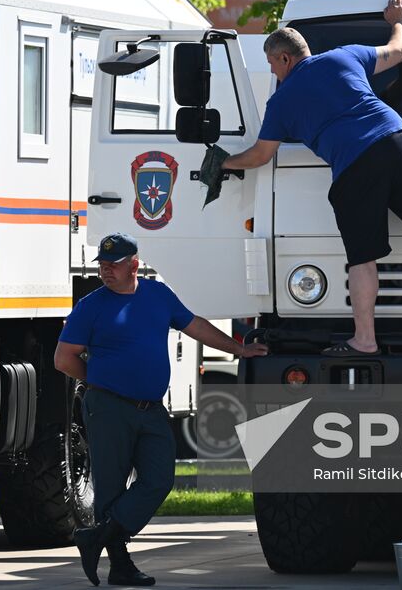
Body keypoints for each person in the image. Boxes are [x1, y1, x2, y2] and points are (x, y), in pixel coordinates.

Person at [223, 0, 402, 355]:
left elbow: (260, 155)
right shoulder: (343, 56)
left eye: (272, 63)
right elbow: (397, 51)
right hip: (396, 137)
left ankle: (364, 339)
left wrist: (225, 163)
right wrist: (397, 19)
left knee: (362, 257)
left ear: (285, 58)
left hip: (354, 161)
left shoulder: (282, 101)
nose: (272, 71)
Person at [55, 233, 269, 586]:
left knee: (159, 479)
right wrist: (101, 383)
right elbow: (64, 359)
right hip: (108, 407)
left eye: (114, 265)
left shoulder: (158, 295)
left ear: (134, 264)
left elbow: (195, 325)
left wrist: (239, 349)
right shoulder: (91, 306)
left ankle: (97, 536)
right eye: (102, 265)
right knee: (110, 487)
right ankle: (120, 567)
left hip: (151, 408)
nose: (106, 271)